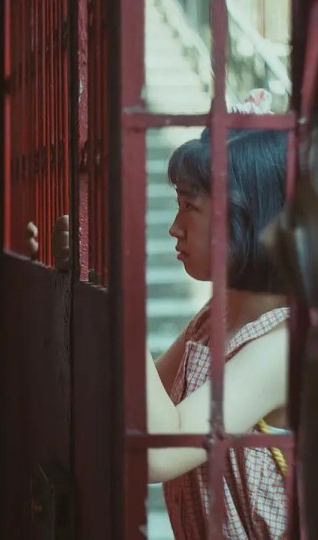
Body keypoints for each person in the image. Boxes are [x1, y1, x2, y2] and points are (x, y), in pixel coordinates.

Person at [53, 117, 291, 537]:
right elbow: (134, 406)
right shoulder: (216, 315)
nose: (174, 227)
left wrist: (123, 291)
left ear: (247, 216)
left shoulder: (281, 345)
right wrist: (72, 283)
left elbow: (159, 451)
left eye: (189, 206)